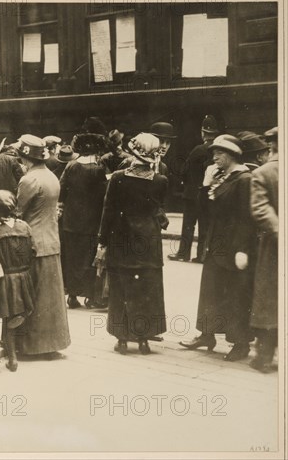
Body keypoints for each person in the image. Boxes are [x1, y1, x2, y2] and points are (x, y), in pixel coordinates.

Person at [180, 135, 256, 361]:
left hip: (234, 246)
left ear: (232, 155)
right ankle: (207, 334)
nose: (214, 157)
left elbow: (247, 218)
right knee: (210, 290)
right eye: (214, 153)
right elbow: (204, 210)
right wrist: (205, 184)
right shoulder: (220, 177)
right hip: (217, 244)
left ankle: (240, 343)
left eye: (219, 153)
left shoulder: (244, 179)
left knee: (235, 294)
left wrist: (243, 249)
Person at [96, 133, 167, 355]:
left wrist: (103, 241)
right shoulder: (160, 181)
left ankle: (122, 339)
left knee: (120, 289)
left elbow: (108, 211)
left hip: (121, 239)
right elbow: (158, 210)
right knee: (146, 289)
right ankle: (144, 339)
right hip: (148, 243)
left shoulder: (117, 178)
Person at [15, 134, 71, 358]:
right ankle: (52, 344)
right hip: (51, 241)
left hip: (33, 244)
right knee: (51, 298)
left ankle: (30, 346)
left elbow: (19, 211)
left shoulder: (28, 180)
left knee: (32, 297)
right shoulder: (51, 177)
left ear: (26, 158)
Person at [0, 190, 36, 372]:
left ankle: (12, 359)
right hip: (24, 277)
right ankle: (14, 346)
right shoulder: (25, 227)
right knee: (19, 312)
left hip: (5, 279)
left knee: (8, 316)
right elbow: (34, 250)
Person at [59, 133, 108, 309]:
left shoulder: (71, 166)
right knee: (88, 259)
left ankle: (72, 296)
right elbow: (104, 196)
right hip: (91, 222)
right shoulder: (99, 170)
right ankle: (89, 296)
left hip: (71, 221)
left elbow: (61, 190)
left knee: (72, 259)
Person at [169, 115, 219, 263]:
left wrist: (186, 183)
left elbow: (185, 170)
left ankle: (183, 254)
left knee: (188, 226)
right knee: (204, 225)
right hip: (206, 195)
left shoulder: (198, 149)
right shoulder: (217, 150)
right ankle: (202, 255)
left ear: (202, 133)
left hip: (191, 195)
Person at [249, 127, 279, 373]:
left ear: (272, 146)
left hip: (274, 247)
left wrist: (278, 230)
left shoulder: (262, 172)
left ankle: (264, 356)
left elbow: (260, 209)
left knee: (271, 300)